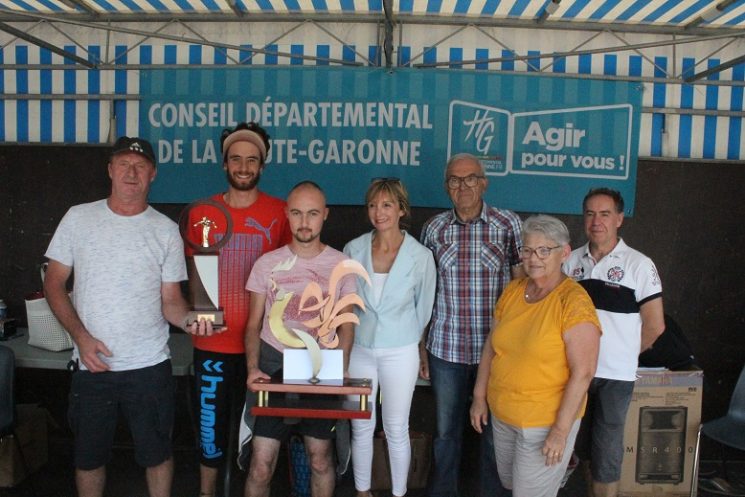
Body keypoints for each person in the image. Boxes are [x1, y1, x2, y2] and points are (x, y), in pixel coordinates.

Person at [43, 136, 215, 497]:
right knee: (88, 458)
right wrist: (81, 339)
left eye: (140, 166)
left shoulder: (166, 230)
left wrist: (193, 322)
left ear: (152, 174)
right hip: (93, 364)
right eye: (123, 164)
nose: (131, 172)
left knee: (157, 454)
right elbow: (54, 285)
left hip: (149, 366)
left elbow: (171, 300)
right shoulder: (79, 217)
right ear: (110, 170)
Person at [185, 122, 291, 497]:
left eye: (252, 160)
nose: (243, 167)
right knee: (211, 437)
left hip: (264, 348)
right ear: (224, 164)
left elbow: (292, 278)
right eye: (235, 159)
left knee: (258, 439)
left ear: (262, 166)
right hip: (213, 346)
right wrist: (202, 317)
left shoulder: (282, 213)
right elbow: (199, 277)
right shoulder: (204, 212)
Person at [470, 214, 601, 497]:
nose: (533, 258)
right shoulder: (513, 291)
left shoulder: (574, 302)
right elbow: (492, 346)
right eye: (527, 250)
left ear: (564, 253)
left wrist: (560, 431)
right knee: (512, 486)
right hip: (504, 416)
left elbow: (583, 373)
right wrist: (480, 397)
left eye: (544, 250)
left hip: (544, 423)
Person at [243, 181, 357, 497]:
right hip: (272, 361)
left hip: (318, 364)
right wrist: (253, 368)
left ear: (325, 216)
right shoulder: (266, 264)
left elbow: (347, 325)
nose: (304, 222)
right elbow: (253, 325)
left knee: (320, 461)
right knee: (261, 466)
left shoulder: (340, 265)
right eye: (296, 213)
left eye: (312, 213)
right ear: (287, 215)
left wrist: (342, 368)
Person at [419, 153, 523, 497]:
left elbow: (523, 288)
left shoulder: (507, 225)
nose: (462, 186)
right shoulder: (433, 229)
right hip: (445, 349)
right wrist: (421, 345)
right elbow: (421, 292)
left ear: (484, 182)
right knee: (446, 433)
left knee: (495, 435)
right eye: (454, 180)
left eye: (470, 179)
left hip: (495, 351)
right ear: (446, 185)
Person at [563, 188, 665, 497]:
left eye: (605, 214)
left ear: (619, 219)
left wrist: (622, 356)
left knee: (606, 453)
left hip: (614, 378)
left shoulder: (639, 264)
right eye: (590, 214)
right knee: (578, 447)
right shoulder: (570, 262)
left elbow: (655, 325)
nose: (597, 221)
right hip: (574, 372)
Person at [343, 178, 436, 497]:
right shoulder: (353, 249)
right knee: (361, 425)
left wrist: (418, 348)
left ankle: (398, 493)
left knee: (396, 428)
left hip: (401, 350)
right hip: (360, 349)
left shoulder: (420, 256)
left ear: (401, 209)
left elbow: (424, 309)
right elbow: (345, 304)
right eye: (372, 205)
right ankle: (362, 491)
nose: (378, 212)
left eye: (386, 205)